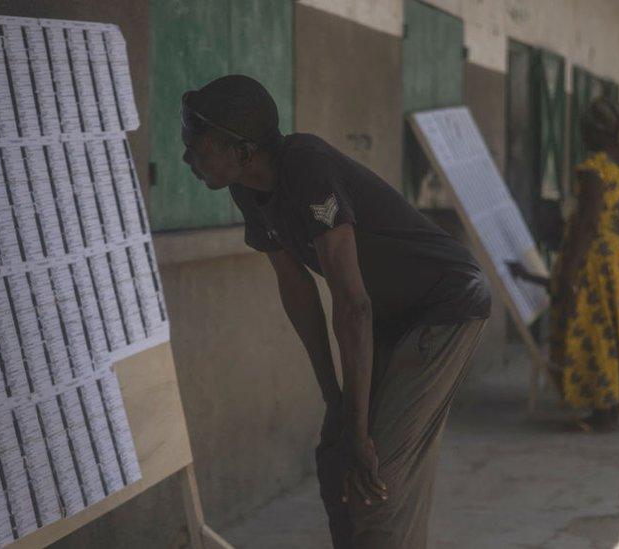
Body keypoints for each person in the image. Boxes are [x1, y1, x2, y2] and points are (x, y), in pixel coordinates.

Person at [179, 74, 491, 548]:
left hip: (445, 305)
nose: (188, 158)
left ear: (242, 150)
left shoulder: (307, 166)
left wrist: (361, 429)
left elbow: (351, 304)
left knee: (376, 479)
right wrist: (336, 399)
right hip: (391, 312)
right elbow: (299, 293)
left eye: (199, 146)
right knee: (335, 459)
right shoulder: (245, 189)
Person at [512, 96, 619, 432]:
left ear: (600, 132)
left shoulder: (595, 169)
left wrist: (568, 271)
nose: (583, 137)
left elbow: (587, 223)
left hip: (599, 258)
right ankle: (618, 400)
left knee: (597, 329)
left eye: (586, 131)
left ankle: (603, 410)